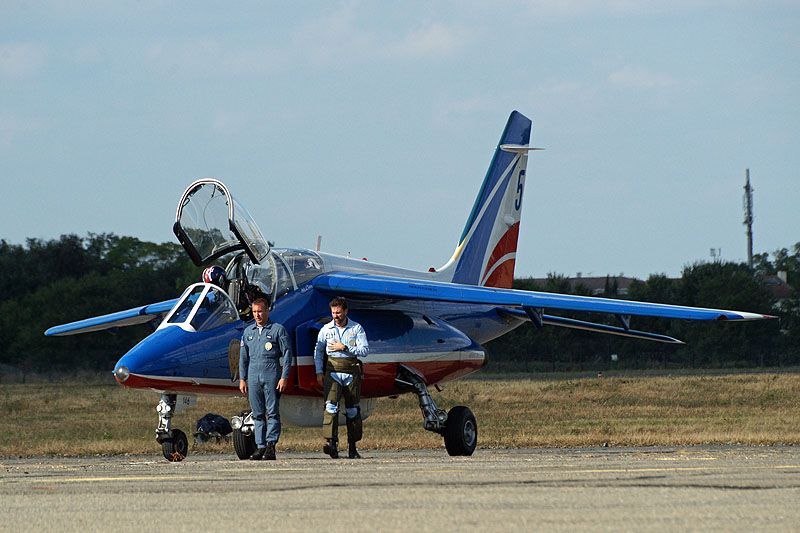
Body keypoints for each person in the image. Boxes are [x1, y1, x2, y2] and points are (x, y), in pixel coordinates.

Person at [314, 296, 369, 458]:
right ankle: (332, 444)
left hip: (351, 371)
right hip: (332, 371)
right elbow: (318, 351)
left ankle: (353, 447)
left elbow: (364, 350)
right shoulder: (326, 330)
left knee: (352, 410)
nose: (335, 316)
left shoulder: (356, 328)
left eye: (338, 313)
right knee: (330, 408)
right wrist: (318, 371)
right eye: (333, 313)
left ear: (346, 311)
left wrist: (344, 347)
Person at [239, 297, 292, 460]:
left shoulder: (277, 330)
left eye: (260, 311)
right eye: (254, 312)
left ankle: (271, 445)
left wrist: (284, 377)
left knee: (272, 412)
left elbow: (288, 354)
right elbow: (243, 358)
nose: (257, 315)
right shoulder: (248, 332)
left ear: (267, 310)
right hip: (254, 375)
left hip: (271, 374)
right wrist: (243, 378)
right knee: (257, 413)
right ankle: (260, 446)